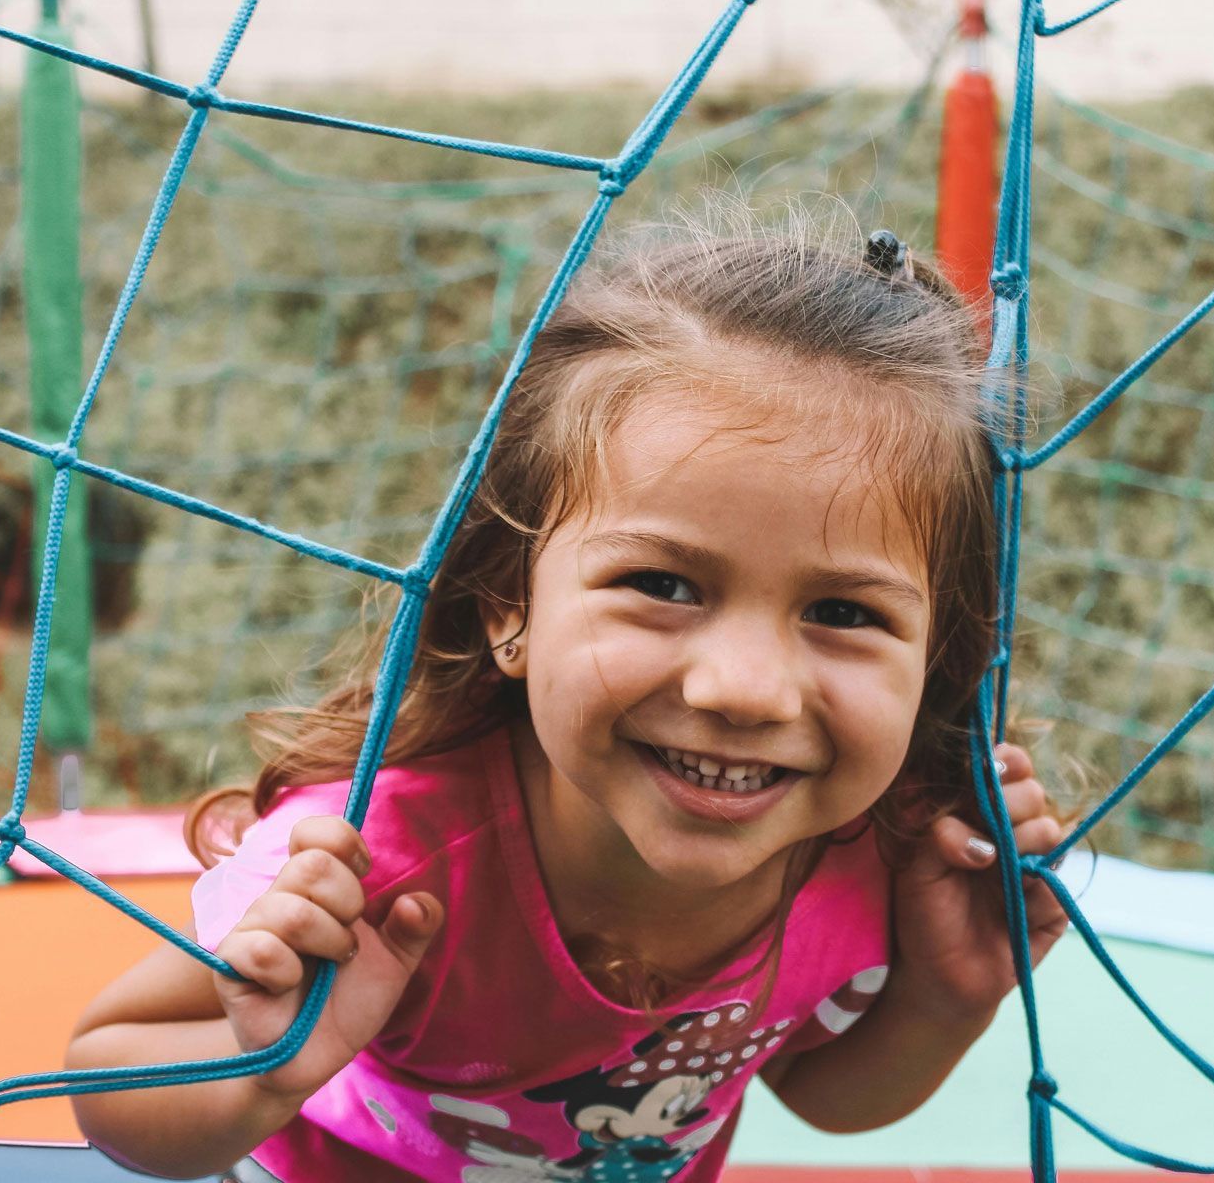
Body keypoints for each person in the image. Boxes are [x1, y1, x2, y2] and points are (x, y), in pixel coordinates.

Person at [64, 209, 1071, 1182]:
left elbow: (820, 1093)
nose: (744, 689)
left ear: (937, 654)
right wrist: (262, 1072)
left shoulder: (882, 847)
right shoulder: (375, 858)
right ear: (511, 605)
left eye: (844, 612)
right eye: (664, 585)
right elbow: (110, 1074)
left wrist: (946, 992)